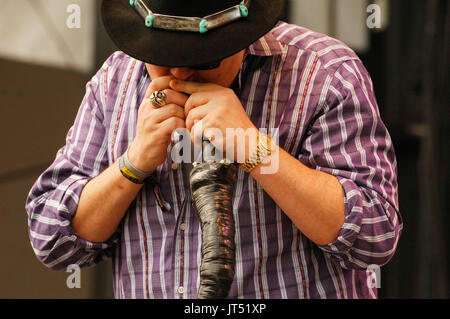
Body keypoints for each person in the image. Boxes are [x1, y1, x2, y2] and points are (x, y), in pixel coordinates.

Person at [26, 0, 402, 299]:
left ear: (243, 38)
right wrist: (133, 163)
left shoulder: (323, 72)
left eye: (203, 60)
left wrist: (253, 148)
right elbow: (52, 241)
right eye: (165, 57)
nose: (183, 75)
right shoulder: (116, 80)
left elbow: (375, 237)